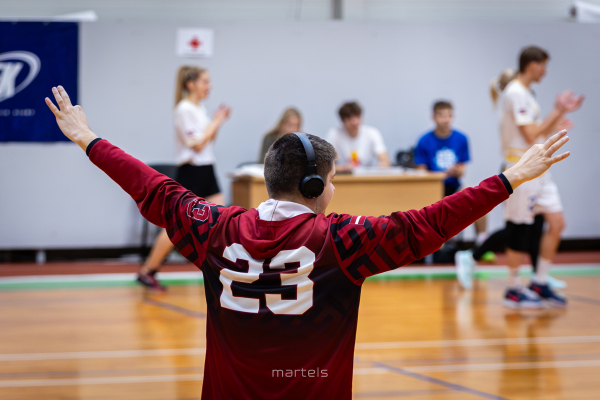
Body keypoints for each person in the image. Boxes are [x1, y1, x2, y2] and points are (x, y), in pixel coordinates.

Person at [46, 85, 570, 399]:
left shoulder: (215, 229)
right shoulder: (340, 242)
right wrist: (508, 180)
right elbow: (428, 224)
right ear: (316, 185)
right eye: (334, 179)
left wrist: (88, 138)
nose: (335, 189)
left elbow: (150, 185)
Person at [497, 46, 583, 308]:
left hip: (539, 167)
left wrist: (559, 117)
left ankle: (540, 281)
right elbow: (530, 136)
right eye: (543, 66)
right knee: (519, 228)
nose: (545, 71)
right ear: (533, 65)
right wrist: (557, 110)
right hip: (521, 167)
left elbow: (536, 132)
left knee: (557, 222)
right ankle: (513, 288)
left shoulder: (526, 94)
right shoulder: (515, 92)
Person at [138, 66, 231, 291]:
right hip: (192, 171)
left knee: (221, 220)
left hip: (207, 169)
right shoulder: (184, 109)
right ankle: (148, 270)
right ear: (191, 84)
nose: (209, 86)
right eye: (205, 82)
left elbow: (207, 141)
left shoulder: (199, 108)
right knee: (176, 226)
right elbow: (197, 145)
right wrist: (216, 122)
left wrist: (216, 122)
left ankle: (220, 271)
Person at [414, 101, 492, 288]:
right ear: (434, 117)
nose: (445, 119)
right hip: (432, 188)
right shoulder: (424, 140)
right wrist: (442, 174)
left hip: (453, 186)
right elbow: (421, 171)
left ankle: (482, 243)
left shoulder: (461, 138)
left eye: (448, 115)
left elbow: (462, 168)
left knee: (478, 198)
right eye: (441, 115)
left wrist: (456, 171)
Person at [326, 101, 389, 171]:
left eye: (357, 117)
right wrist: (343, 168)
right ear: (342, 120)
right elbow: (326, 165)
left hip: (365, 176)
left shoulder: (372, 133)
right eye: (349, 118)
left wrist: (378, 168)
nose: (354, 122)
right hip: (343, 176)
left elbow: (385, 161)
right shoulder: (334, 134)